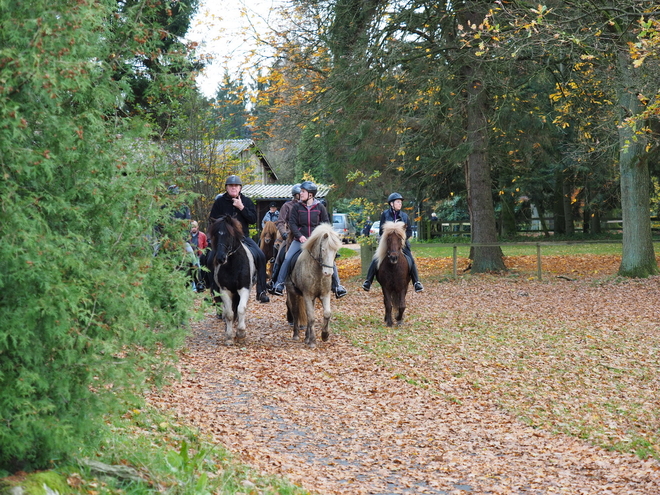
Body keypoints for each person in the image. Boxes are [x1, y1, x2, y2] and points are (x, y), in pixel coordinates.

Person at [271, 181, 347, 299]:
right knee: (287, 258)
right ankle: (279, 284)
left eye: (303, 191)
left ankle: (338, 286)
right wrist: (299, 236)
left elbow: (326, 223)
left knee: (329, 258)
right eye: (300, 191)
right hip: (299, 240)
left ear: (310, 194)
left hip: (316, 241)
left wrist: (322, 237)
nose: (300, 194)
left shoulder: (320, 207)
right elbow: (292, 223)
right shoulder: (297, 207)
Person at [208, 175, 270, 303]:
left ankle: (261, 291)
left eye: (236, 186)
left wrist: (241, 207)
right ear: (226, 188)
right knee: (209, 258)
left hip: (243, 237)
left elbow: (253, 220)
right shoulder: (219, 202)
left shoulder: (246, 201)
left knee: (260, 256)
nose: (233, 188)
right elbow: (212, 220)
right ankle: (214, 292)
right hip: (223, 239)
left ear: (240, 188)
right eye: (231, 186)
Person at [362, 192, 424, 292]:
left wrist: (401, 240)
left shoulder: (404, 216)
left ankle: (416, 282)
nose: (400, 204)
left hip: (401, 244)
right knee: (376, 259)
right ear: (391, 203)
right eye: (398, 202)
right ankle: (368, 281)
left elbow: (409, 232)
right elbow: (381, 231)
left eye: (400, 202)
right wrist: (388, 240)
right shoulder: (385, 215)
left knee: (411, 260)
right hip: (388, 244)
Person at [268, 184, 301, 292]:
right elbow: (280, 222)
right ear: (294, 194)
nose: (301, 195)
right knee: (281, 254)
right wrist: (284, 233)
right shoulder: (287, 206)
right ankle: (275, 281)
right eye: (299, 193)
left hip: (306, 235)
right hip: (290, 235)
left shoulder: (308, 206)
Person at [189, 221, 208, 292]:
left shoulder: (202, 235)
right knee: (191, 271)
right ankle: (193, 287)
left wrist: (204, 255)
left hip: (199, 256)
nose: (193, 229)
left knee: (199, 270)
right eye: (192, 227)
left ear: (197, 227)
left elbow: (206, 246)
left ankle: (200, 284)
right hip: (190, 256)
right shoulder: (188, 235)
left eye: (194, 227)